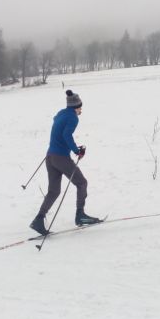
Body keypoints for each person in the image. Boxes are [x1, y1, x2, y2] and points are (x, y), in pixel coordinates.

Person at [29, 90, 101, 235]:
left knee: (54, 191)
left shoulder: (61, 113)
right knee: (81, 183)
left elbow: (57, 123)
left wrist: (71, 147)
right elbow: (66, 134)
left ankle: (38, 219)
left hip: (50, 156)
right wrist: (76, 150)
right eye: (80, 107)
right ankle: (80, 216)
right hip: (61, 158)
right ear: (76, 107)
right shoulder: (73, 118)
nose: (81, 110)